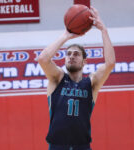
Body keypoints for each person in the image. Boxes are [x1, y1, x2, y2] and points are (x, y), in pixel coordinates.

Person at [38, 6, 116, 150]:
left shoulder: (91, 83)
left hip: (82, 146)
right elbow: (43, 59)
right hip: (57, 146)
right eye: (68, 54)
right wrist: (66, 35)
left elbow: (110, 63)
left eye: (76, 54)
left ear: (85, 61)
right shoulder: (57, 78)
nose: (71, 57)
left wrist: (103, 30)